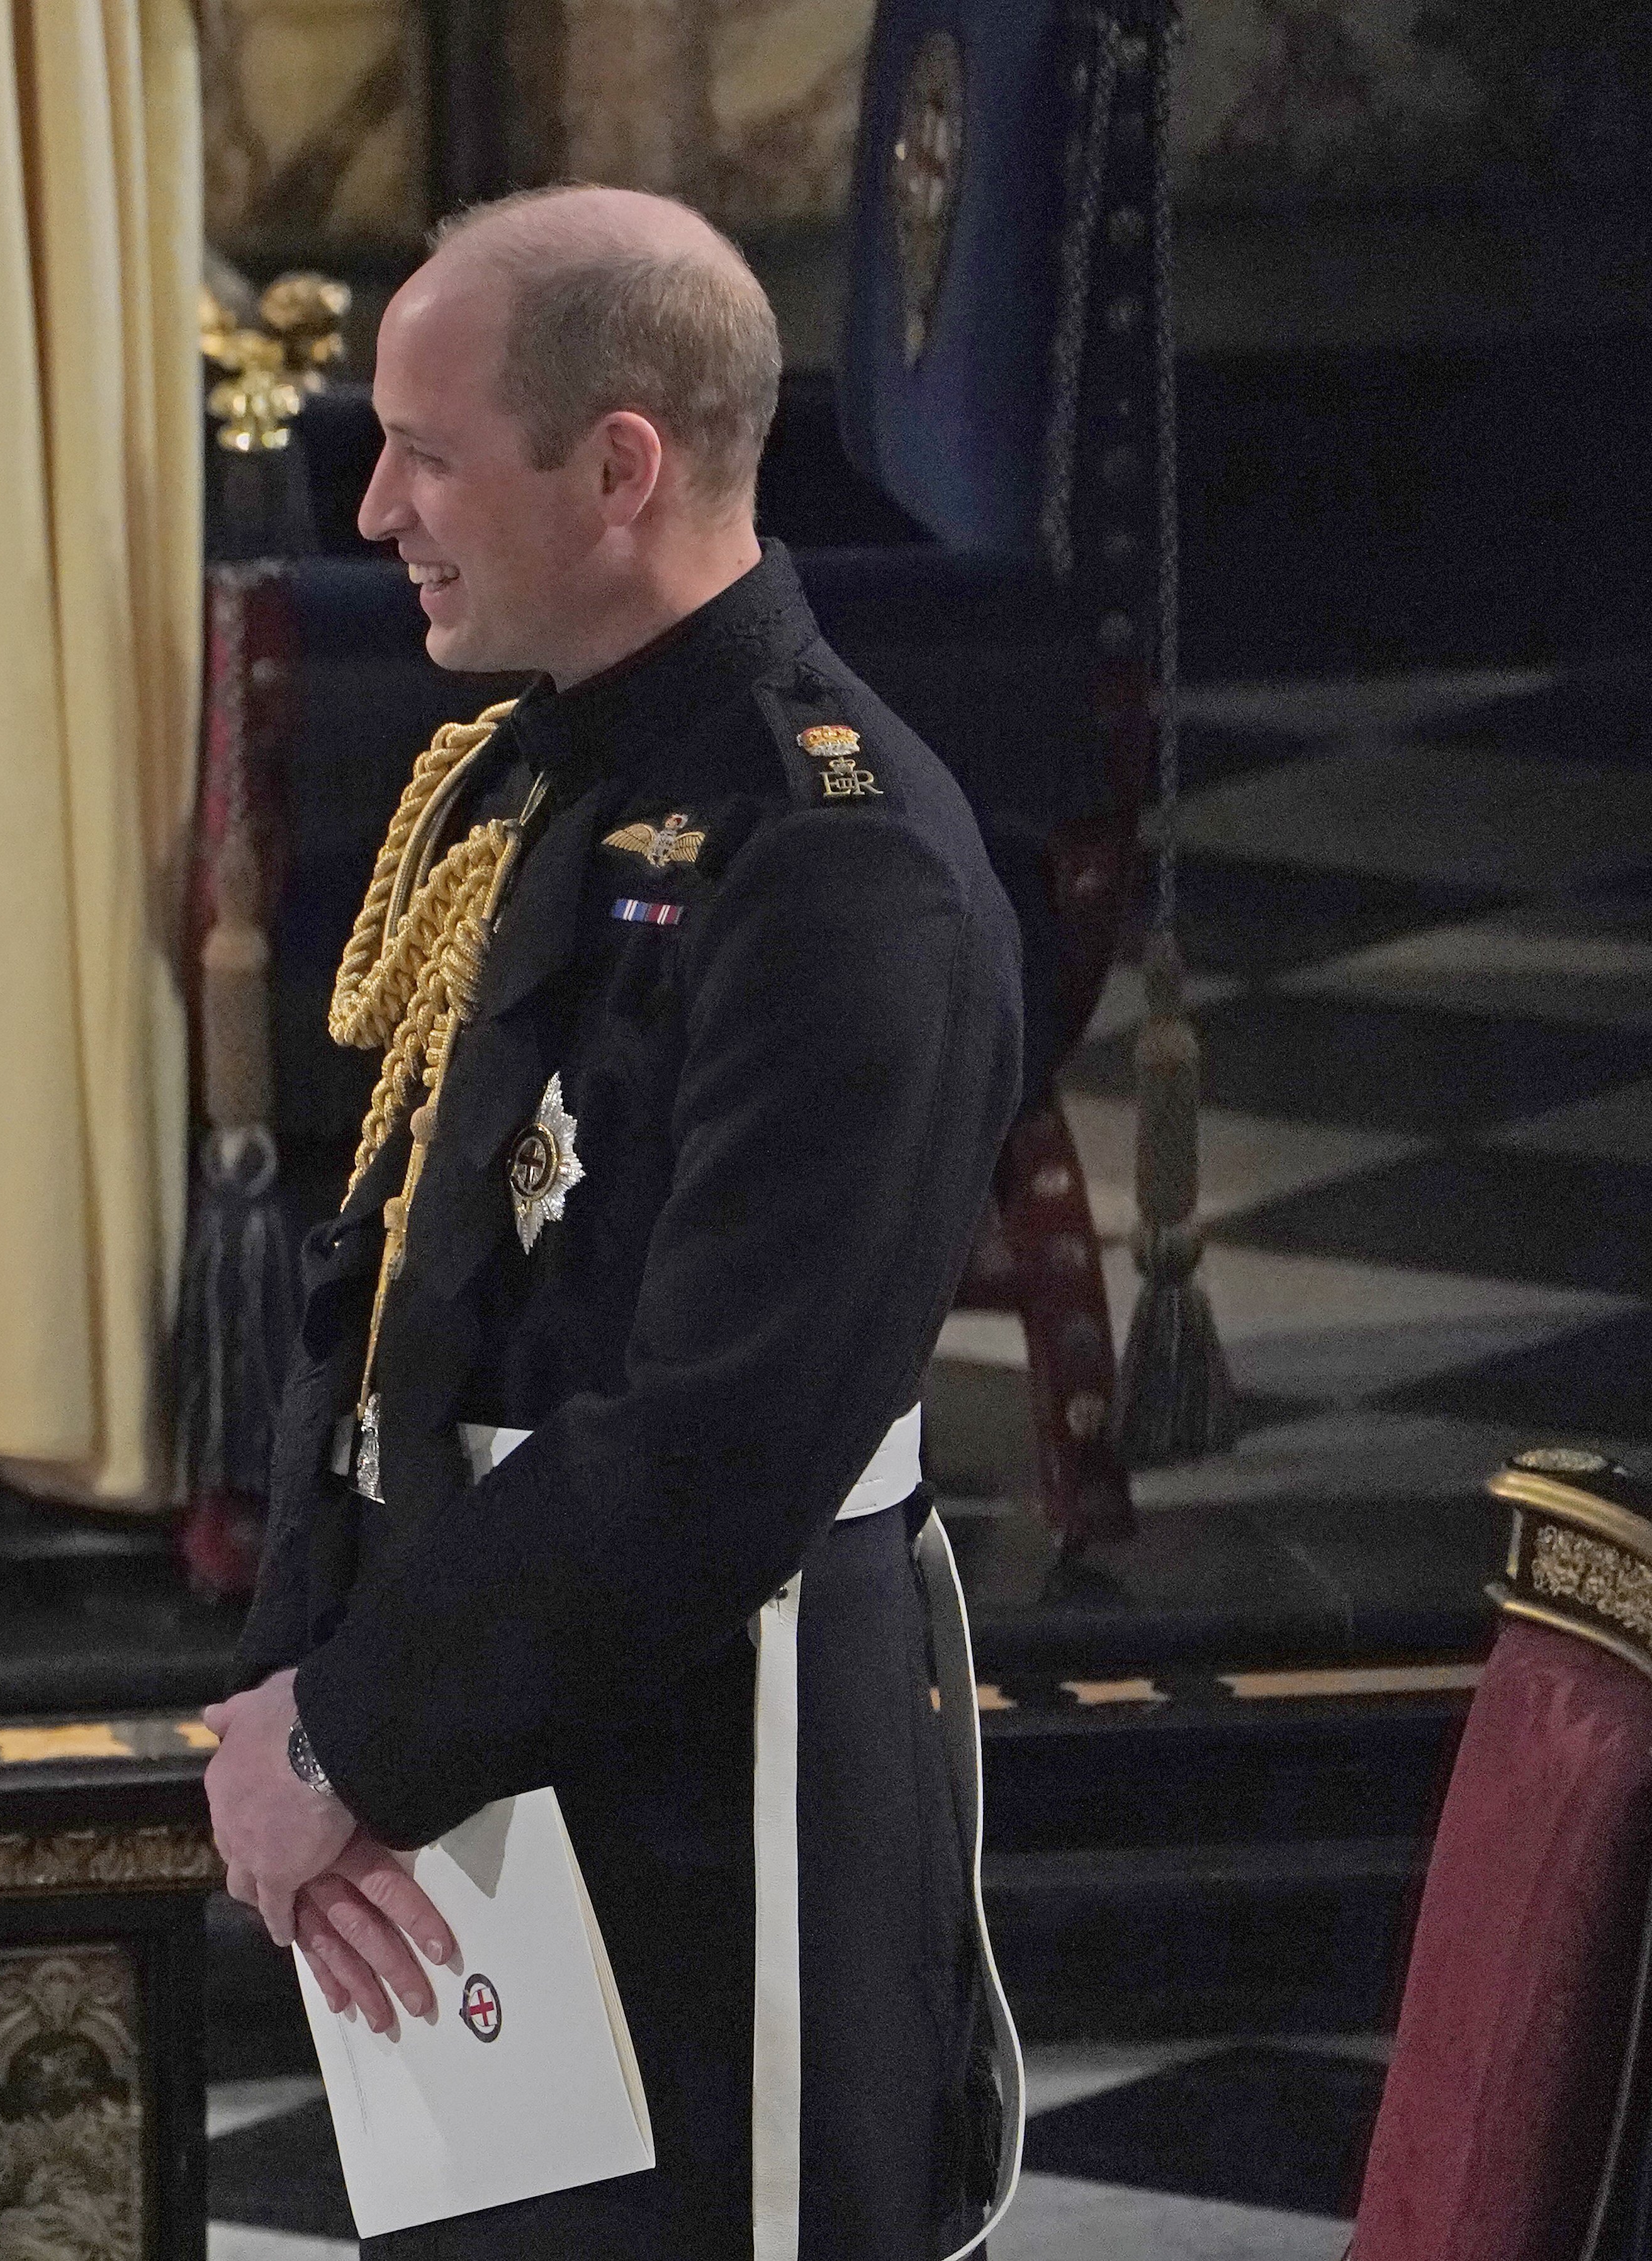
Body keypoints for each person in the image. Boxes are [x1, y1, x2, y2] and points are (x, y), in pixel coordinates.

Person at [200, 185, 1026, 2259]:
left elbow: (718, 1440)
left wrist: (354, 1731)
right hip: (467, 1718)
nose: (375, 502)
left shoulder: (838, 865)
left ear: (621, 463)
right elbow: (378, 1295)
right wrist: (290, 1680)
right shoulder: (527, 779)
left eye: (426, 448)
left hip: (693, 1773)